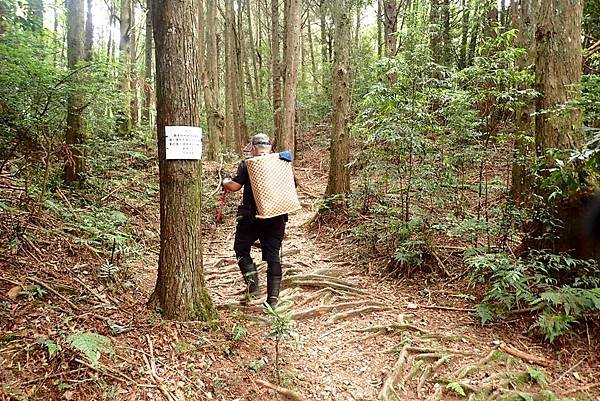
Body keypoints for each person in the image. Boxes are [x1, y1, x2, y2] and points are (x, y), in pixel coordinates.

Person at [222, 133, 286, 307]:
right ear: (270, 147)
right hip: (277, 216)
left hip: (252, 217)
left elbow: (234, 187)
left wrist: (225, 181)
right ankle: (272, 300)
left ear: (254, 147)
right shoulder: (282, 162)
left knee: (241, 249)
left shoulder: (248, 164)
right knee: (273, 256)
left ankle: (253, 286)